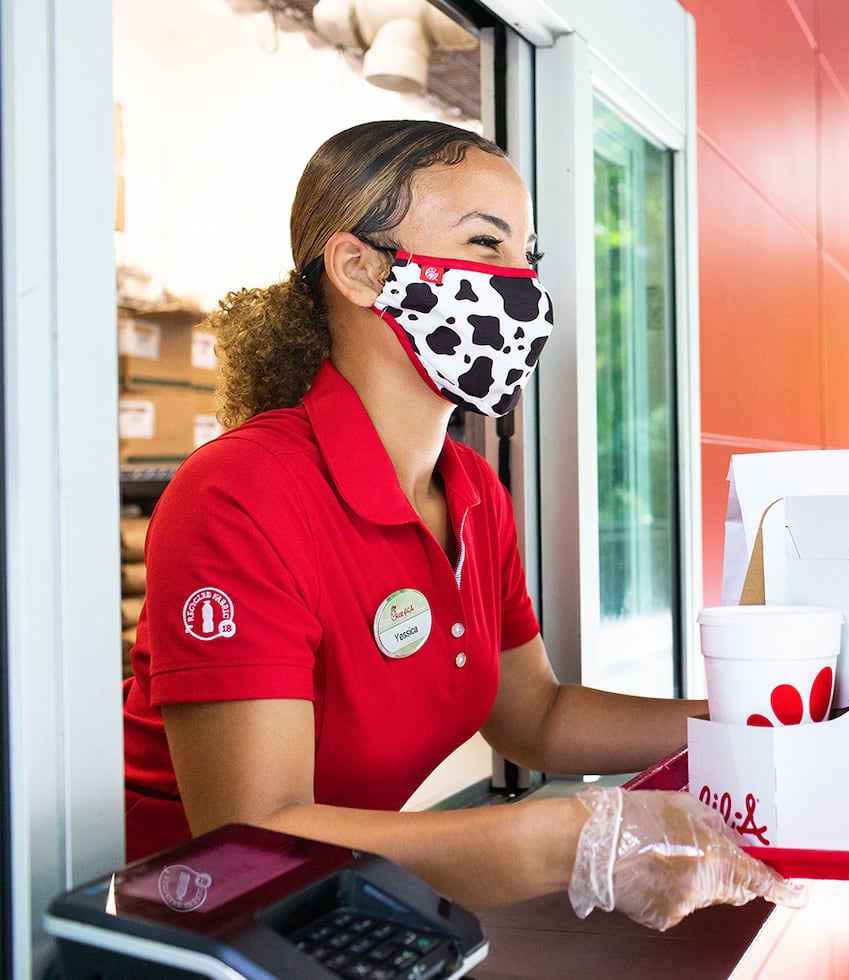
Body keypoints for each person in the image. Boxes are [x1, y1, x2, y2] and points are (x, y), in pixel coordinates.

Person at [122, 119, 802, 931]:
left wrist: (750, 722)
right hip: (173, 932)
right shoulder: (238, 494)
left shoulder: (473, 490)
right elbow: (256, 836)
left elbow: (534, 717)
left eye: (527, 257)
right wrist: (569, 839)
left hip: (336, 922)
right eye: (487, 247)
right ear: (360, 269)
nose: (523, 288)